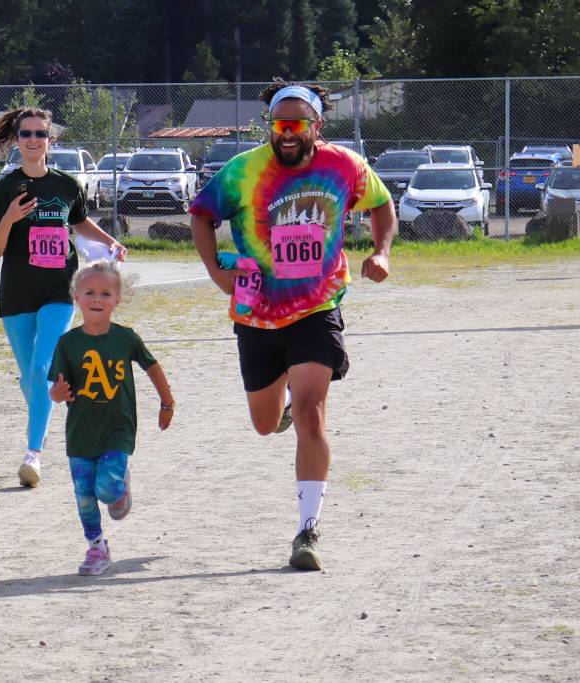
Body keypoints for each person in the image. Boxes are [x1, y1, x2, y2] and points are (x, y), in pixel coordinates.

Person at [188, 80, 396, 571]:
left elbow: (383, 203)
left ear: (315, 127)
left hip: (316, 307)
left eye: (296, 125)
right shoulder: (243, 172)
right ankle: (276, 406)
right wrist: (217, 272)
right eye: (279, 124)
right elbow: (201, 214)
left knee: (311, 413)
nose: (286, 134)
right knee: (265, 424)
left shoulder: (344, 167)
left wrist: (382, 252)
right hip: (257, 311)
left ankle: (307, 530)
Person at [0, 108, 126, 488]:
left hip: (59, 289)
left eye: (40, 134)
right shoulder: (5, 189)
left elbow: (78, 220)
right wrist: (11, 217)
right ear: (16, 140)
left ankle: (33, 456)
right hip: (17, 293)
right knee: (30, 375)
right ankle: (39, 419)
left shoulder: (66, 185)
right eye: (26, 134)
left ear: (50, 140)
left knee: (41, 368)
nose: (33, 140)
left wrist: (109, 241)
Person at [48, 261, 175, 576]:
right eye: (89, 292)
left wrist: (167, 402)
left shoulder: (125, 338)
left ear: (118, 299)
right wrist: (58, 395)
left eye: (106, 293)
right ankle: (97, 546)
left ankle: (120, 487)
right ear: (76, 297)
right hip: (80, 433)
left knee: (106, 488)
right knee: (84, 494)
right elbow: (55, 387)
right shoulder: (68, 343)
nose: (97, 299)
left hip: (118, 430)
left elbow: (152, 367)